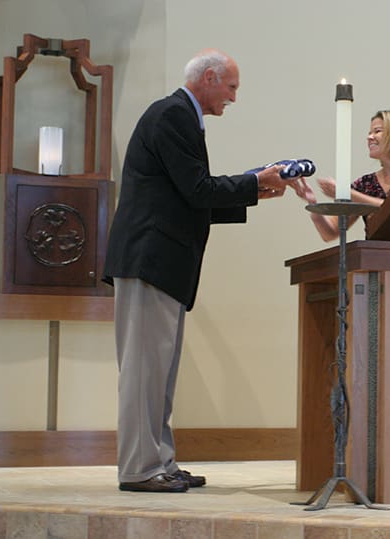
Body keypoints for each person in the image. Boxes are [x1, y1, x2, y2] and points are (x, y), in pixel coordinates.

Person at [103, 49, 301, 493]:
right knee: (143, 373)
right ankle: (139, 468)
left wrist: (256, 190)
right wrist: (256, 182)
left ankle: (160, 462)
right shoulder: (172, 113)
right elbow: (196, 190)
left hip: (163, 261)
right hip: (149, 259)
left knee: (161, 373)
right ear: (209, 78)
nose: (233, 97)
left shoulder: (180, 116)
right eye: (231, 87)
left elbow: (185, 197)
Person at [295, 110, 390, 241]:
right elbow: (330, 233)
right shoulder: (365, 184)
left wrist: (348, 194)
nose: (369, 137)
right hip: (375, 258)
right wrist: (313, 204)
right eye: (369, 133)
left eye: (377, 131)